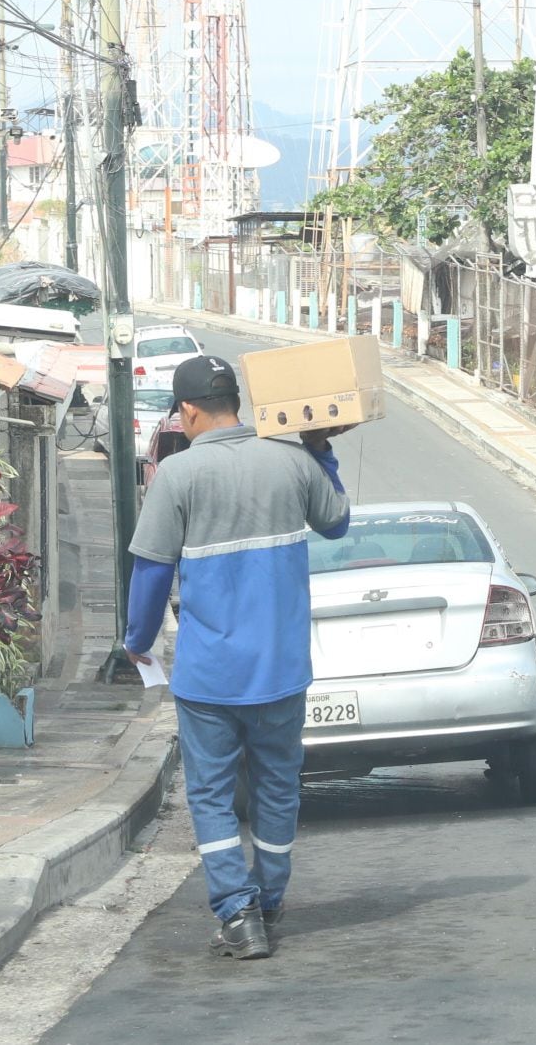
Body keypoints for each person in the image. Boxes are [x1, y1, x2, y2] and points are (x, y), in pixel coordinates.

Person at [121, 353, 350, 960]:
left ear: (189, 410)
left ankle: (238, 912)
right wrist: (320, 446)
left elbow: (150, 572)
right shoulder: (294, 462)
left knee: (212, 795)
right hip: (281, 672)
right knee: (278, 789)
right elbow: (337, 522)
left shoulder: (177, 475)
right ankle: (270, 899)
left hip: (210, 678)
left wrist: (137, 640)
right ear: (238, 406)